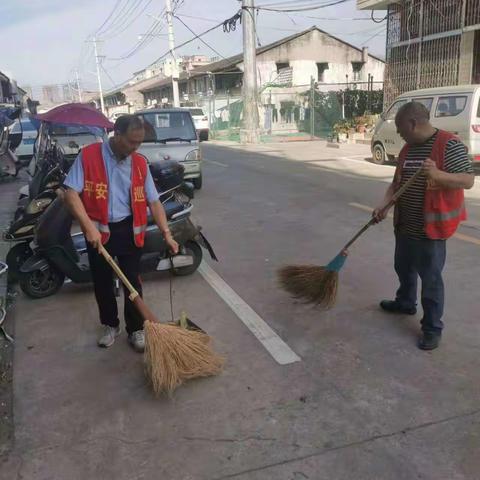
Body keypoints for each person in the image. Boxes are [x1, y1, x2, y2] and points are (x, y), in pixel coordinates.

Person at [63, 115, 179, 352]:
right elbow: (71, 193)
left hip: (129, 230)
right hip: (98, 232)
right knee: (102, 282)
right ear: (116, 135)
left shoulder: (139, 163)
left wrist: (167, 233)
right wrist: (88, 227)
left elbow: (154, 201)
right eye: (131, 142)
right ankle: (110, 325)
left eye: (139, 143)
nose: (135, 148)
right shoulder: (89, 156)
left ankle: (135, 329)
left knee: (132, 281)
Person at [373, 102, 474, 351]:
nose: (398, 133)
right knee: (403, 268)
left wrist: (438, 175)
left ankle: (432, 327)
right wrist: (383, 205)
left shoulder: (448, 144)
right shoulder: (408, 149)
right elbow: (396, 184)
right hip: (405, 225)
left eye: (399, 127)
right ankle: (405, 302)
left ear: (412, 124)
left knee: (430, 280)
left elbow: (468, 180)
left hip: (431, 230)